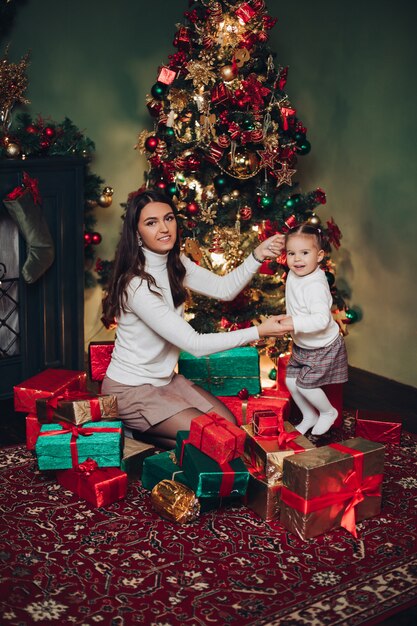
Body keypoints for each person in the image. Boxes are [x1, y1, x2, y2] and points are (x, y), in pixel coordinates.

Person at [101, 188, 285, 449]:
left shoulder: (176, 264)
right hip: (130, 391)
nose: (164, 228)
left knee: (230, 427)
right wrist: (259, 332)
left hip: (166, 382)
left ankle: (140, 434)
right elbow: (194, 344)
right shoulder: (136, 285)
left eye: (169, 218)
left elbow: (225, 290)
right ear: (136, 233)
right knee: (215, 440)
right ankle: (134, 430)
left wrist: (257, 255)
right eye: (151, 223)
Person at [276, 223, 348, 436]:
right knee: (290, 380)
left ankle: (327, 412)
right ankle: (309, 415)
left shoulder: (315, 284)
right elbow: (295, 305)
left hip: (323, 346)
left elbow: (321, 320)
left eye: (304, 253)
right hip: (303, 344)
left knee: (306, 385)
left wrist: (292, 324)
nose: (297, 259)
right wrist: (287, 319)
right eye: (291, 253)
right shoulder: (293, 274)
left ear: (319, 255)